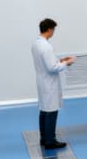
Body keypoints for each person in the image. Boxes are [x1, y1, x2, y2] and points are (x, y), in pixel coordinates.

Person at [32, 18, 75, 149]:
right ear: (49, 29)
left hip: (42, 81)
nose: (53, 33)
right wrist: (67, 62)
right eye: (53, 30)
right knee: (51, 111)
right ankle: (50, 141)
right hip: (49, 83)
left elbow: (48, 62)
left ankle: (44, 138)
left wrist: (60, 60)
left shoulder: (36, 44)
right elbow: (52, 68)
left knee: (44, 111)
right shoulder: (46, 46)